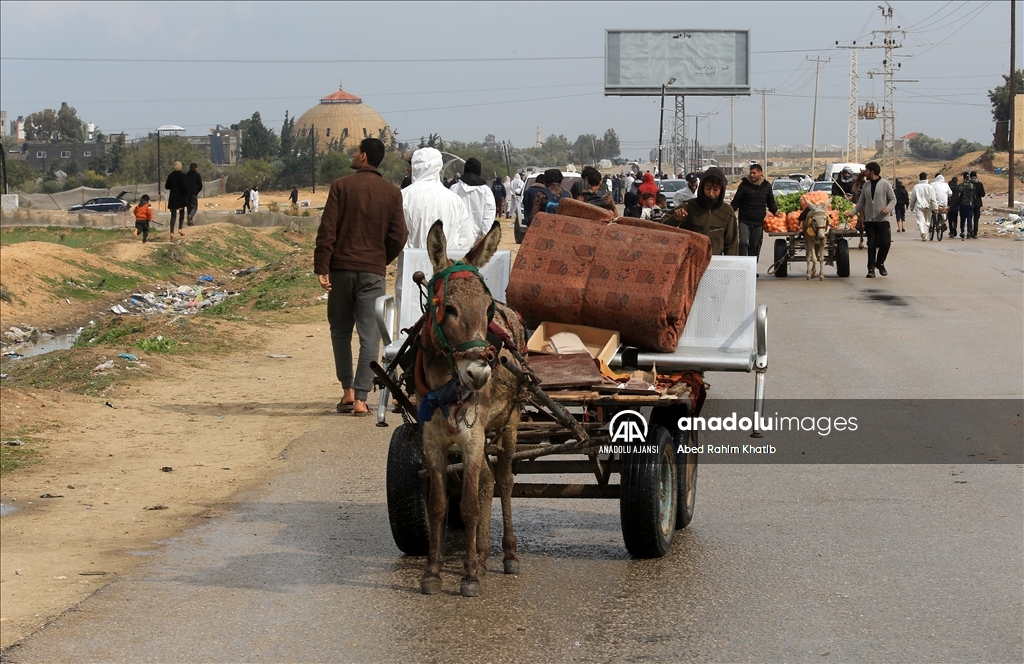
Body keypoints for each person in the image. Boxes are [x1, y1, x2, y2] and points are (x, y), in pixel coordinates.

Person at [314, 137, 408, 417]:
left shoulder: (341, 186)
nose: (352, 155)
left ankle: (347, 392)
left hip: (340, 271)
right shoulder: (392, 193)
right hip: (372, 273)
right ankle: (362, 399)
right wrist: (379, 260)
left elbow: (327, 230)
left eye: (355, 151)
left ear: (364, 156)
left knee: (340, 331)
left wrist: (322, 266)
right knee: (369, 334)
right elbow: (398, 236)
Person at [402, 147, 474, 252]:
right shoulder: (454, 200)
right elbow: (466, 239)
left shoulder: (403, 196)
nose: (408, 169)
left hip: (411, 265)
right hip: (445, 265)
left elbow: (394, 237)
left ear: (416, 167)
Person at [666, 166, 738, 256]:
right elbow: (661, 226)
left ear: (722, 190)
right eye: (708, 188)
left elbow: (732, 245)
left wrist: (730, 265)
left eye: (716, 190)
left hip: (715, 263)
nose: (711, 193)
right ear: (702, 187)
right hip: (689, 261)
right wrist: (675, 219)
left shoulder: (727, 211)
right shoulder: (688, 206)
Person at [846, 162, 895, 278]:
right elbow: (861, 202)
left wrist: (887, 209)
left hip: (882, 219)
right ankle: (871, 269)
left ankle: (880, 263)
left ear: (872, 172)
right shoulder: (866, 186)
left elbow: (893, 199)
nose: (865, 173)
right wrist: (852, 213)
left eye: (867, 170)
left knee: (886, 243)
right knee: (871, 245)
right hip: (870, 220)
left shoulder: (885, 184)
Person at [730, 163, 777, 266]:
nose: (751, 175)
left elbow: (771, 203)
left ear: (760, 173)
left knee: (755, 246)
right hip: (744, 220)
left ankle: (752, 268)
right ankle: (742, 266)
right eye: (750, 173)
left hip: (759, 222)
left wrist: (777, 213)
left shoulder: (767, 186)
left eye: (754, 173)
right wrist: (729, 211)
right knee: (743, 243)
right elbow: (736, 202)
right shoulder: (744, 185)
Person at [450, 157, 496, 241]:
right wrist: (484, 236)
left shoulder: (454, 189)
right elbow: (489, 215)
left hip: (457, 238)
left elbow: (450, 214)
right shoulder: (485, 191)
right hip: (477, 240)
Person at [908, 172, 937, 241]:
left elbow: (913, 198)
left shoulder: (916, 187)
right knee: (927, 221)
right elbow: (933, 198)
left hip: (919, 206)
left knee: (920, 221)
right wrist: (935, 207)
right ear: (926, 178)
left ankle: (922, 232)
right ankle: (925, 235)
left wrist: (911, 207)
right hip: (928, 206)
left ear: (919, 178)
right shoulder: (930, 187)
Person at [165, 161, 188, 238]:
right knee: (182, 212)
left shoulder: (170, 176)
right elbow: (185, 186)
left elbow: (167, 186)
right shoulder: (183, 176)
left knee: (173, 215)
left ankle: (172, 232)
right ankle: (180, 228)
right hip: (181, 197)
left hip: (173, 197)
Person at [958, 171, 976, 240]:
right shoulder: (972, 185)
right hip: (970, 204)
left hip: (962, 204)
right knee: (969, 218)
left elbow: (959, 196)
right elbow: (974, 196)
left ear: (963, 177)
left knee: (962, 219)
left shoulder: (961, 185)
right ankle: (969, 232)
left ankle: (962, 231)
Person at [969, 171, 985, 238]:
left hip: (970, 203)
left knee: (969, 218)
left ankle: (969, 232)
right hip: (978, 204)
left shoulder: (969, 184)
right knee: (976, 219)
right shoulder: (980, 184)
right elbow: (983, 194)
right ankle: (975, 233)